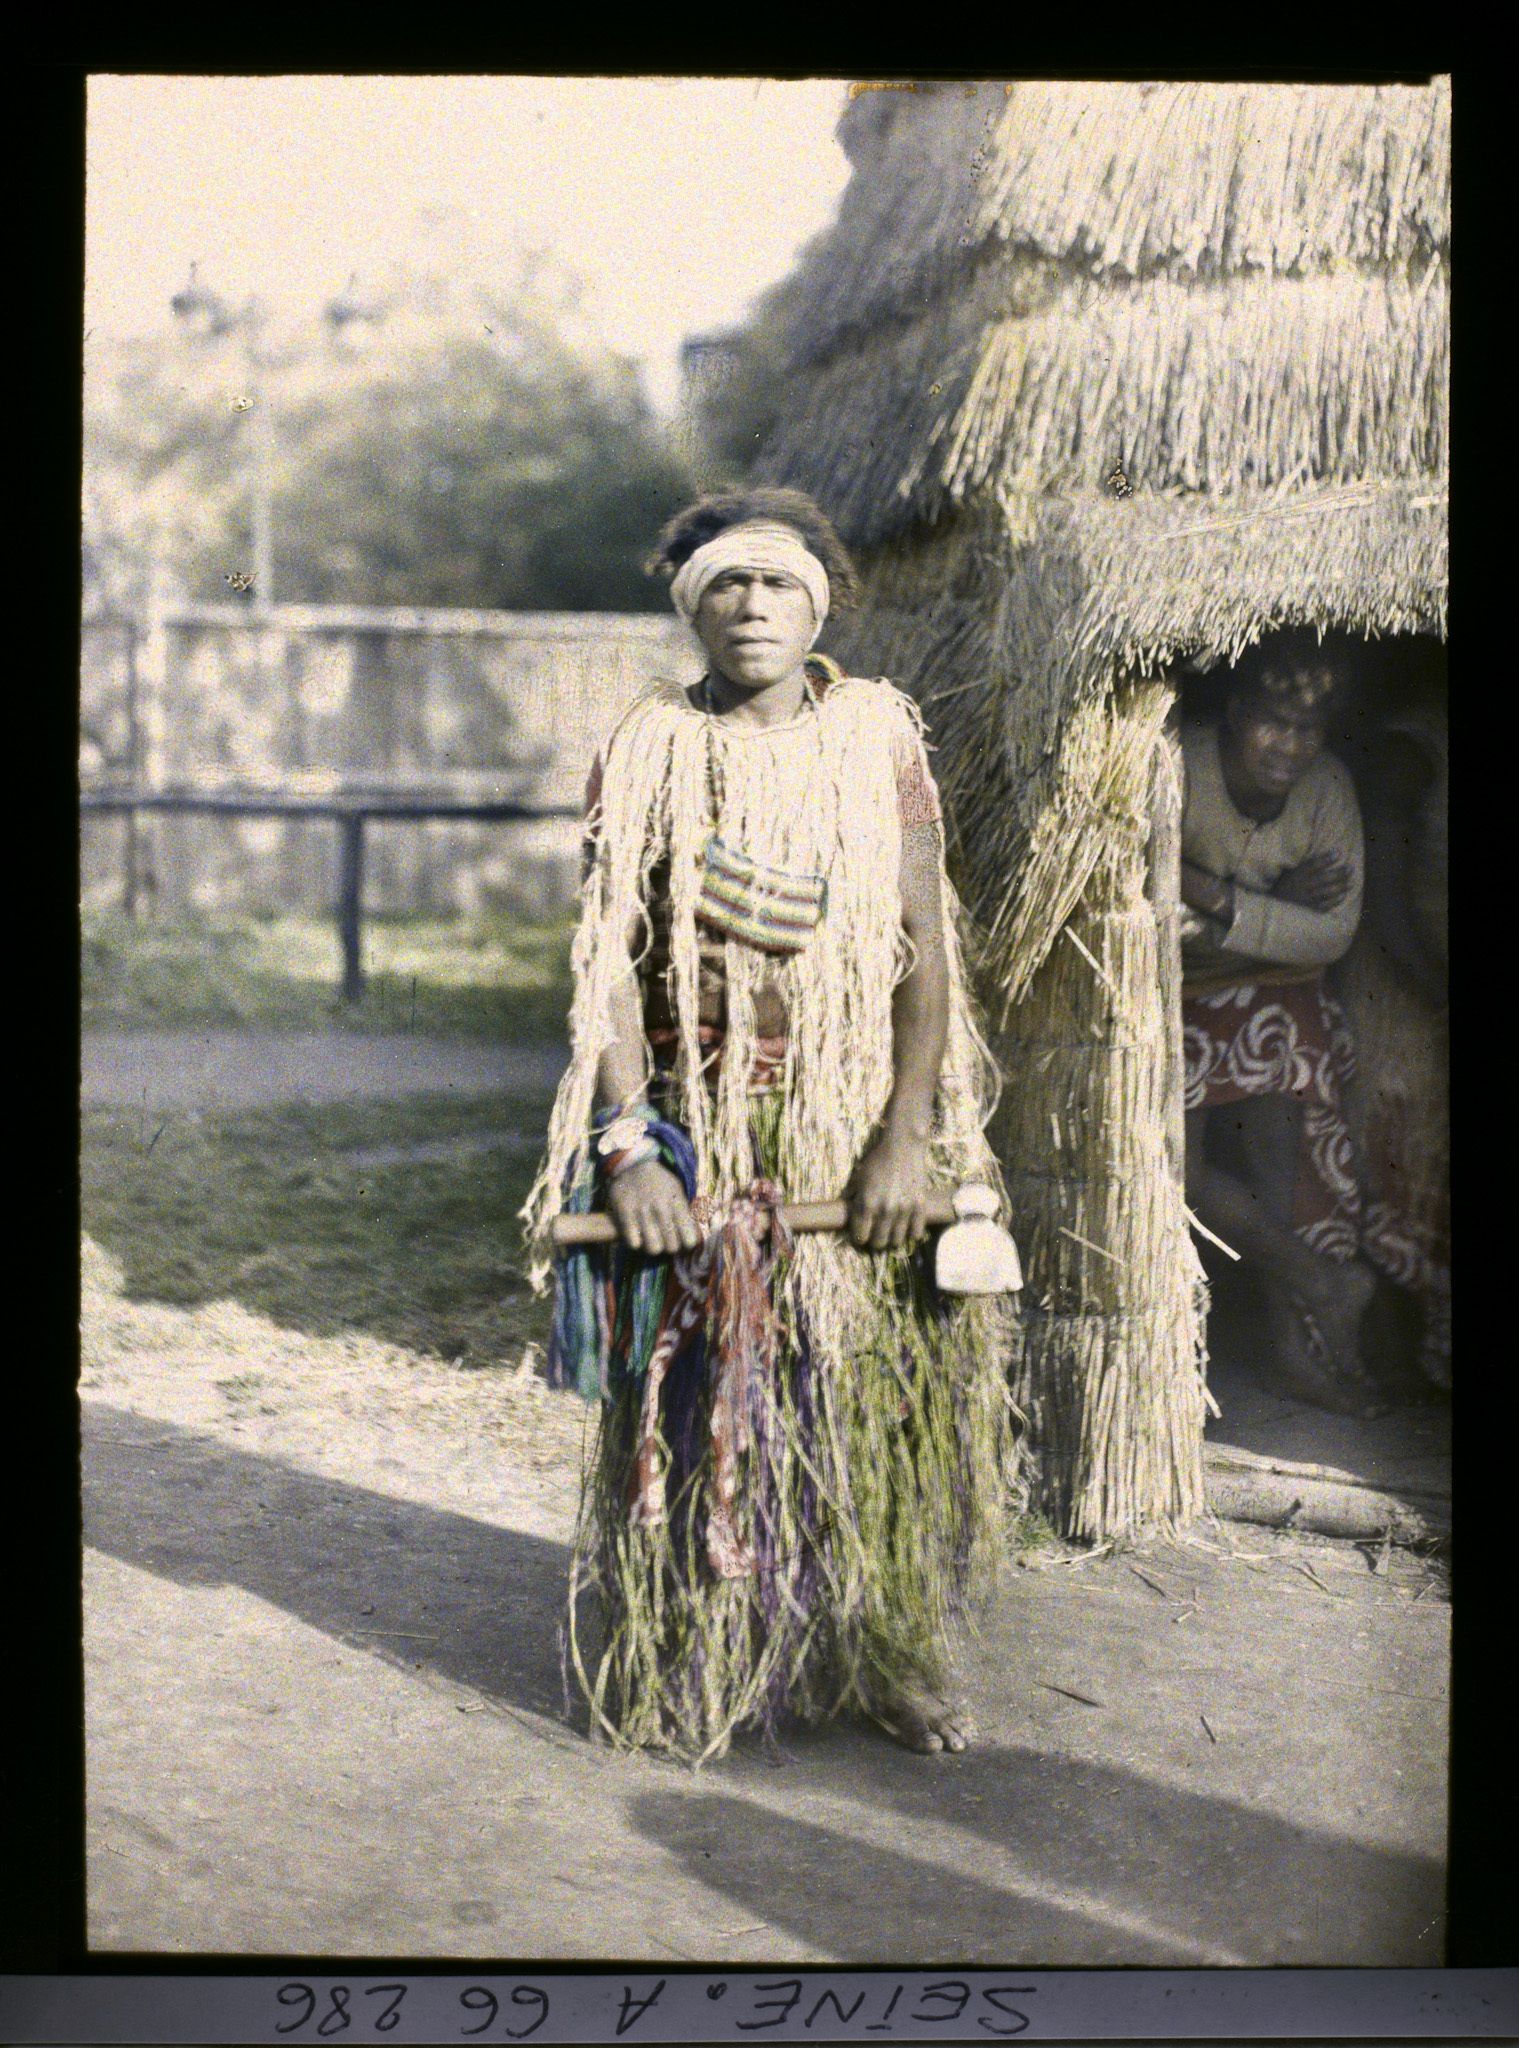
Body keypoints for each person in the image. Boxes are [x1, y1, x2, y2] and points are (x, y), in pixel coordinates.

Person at [523, 487, 1016, 1763]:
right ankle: (698, 1648)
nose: (753, 607)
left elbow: (922, 956)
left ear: (819, 604)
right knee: (698, 1396)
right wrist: (629, 1143)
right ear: (693, 610)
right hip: (703, 1124)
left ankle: (886, 1646)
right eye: (727, 587)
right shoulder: (645, 748)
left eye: (778, 585)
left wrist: (903, 1136)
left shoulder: (877, 738)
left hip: (853, 1117)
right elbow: (606, 963)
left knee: (876, 1392)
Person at [1179, 631, 1387, 1417]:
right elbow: (1140, 918)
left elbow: (1331, 933)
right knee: (1180, 1177)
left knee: (1285, 1177)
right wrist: (1273, 910)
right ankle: (1326, 1284)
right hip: (1161, 1000)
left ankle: (1292, 1354)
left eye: (1307, 729)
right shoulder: (1175, 766)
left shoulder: (1324, 788)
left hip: (1270, 994)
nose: (1289, 745)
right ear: (1234, 715)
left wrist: (1215, 896)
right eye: (1272, 721)